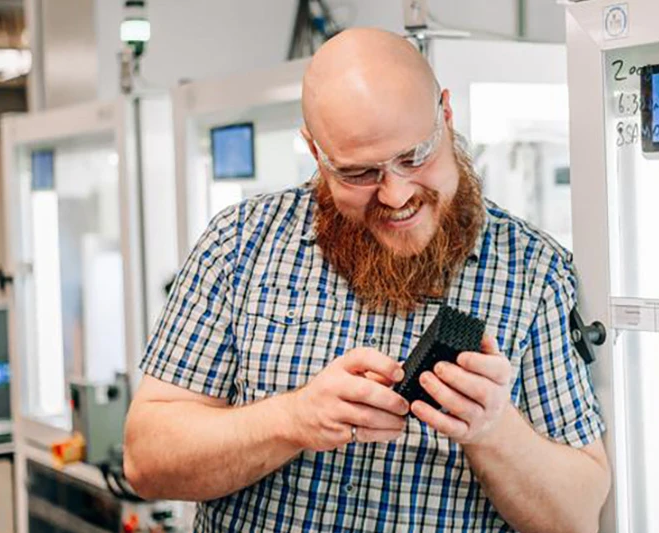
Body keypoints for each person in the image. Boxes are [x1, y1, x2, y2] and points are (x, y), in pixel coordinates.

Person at [124, 27, 610, 532]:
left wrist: (493, 430)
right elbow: (146, 460)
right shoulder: (240, 243)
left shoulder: (533, 272)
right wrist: (291, 420)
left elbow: (577, 517)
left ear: (446, 115)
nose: (396, 195)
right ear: (316, 152)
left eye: (414, 156)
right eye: (359, 174)